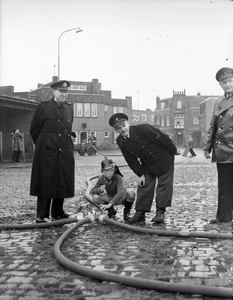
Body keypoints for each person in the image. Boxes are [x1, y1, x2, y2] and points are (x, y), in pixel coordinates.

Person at [109, 113, 178, 224]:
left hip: (163, 159)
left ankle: (160, 212)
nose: (122, 129)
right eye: (118, 128)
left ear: (128, 123)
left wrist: (174, 150)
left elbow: (163, 138)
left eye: (123, 125)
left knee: (163, 186)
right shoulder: (121, 141)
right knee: (144, 185)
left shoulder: (143, 129)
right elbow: (131, 159)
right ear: (116, 130)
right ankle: (140, 213)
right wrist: (140, 174)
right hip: (147, 163)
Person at [30, 80, 75, 223]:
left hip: (64, 150)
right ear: (54, 92)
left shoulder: (69, 108)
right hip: (47, 150)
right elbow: (34, 130)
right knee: (46, 180)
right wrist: (44, 145)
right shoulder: (43, 107)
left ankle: (58, 212)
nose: (64, 94)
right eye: (61, 91)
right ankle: (41, 214)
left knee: (61, 178)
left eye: (66, 92)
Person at [203, 67, 233, 224]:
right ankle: (224, 216)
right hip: (222, 150)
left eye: (229, 81)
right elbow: (213, 126)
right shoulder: (218, 102)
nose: (227, 85)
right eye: (223, 83)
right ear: (220, 85)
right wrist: (207, 146)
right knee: (224, 185)